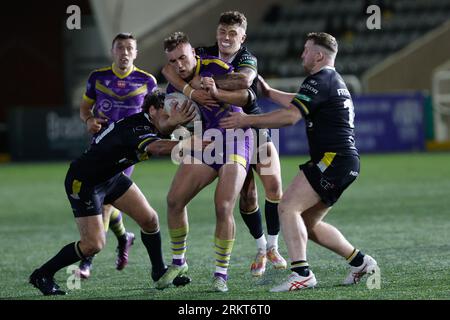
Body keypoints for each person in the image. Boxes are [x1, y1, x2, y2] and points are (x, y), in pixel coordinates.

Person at [220, 32, 378, 292]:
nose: (302, 55)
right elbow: (299, 100)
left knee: (287, 208)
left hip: (333, 160)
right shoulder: (329, 80)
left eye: (306, 50)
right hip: (343, 162)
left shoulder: (319, 79)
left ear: (318, 55)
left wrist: (247, 120)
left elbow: (291, 116)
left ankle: (301, 273)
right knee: (306, 223)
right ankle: (361, 262)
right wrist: (269, 92)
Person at [29, 91, 197, 295]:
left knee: (150, 220)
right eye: (168, 113)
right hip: (85, 182)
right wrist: (191, 143)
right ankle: (42, 274)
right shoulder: (136, 127)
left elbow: (166, 132)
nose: (172, 117)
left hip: (112, 178)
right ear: (152, 110)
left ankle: (159, 271)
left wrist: (181, 124)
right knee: (93, 244)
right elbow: (158, 148)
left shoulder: (154, 124)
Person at [162, 11, 286, 278]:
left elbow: (244, 82)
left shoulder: (246, 58)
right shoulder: (202, 52)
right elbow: (168, 69)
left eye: (233, 33)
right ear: (217, 33)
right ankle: (261, 248)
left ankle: (275, 246)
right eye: (222, 32)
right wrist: (191, 91)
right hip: (224, 133)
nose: (226, 38)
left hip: (252, 123)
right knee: (247, 195)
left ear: (243, 37)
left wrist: (207, 84)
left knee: (274, 186)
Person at [155, 32, 252, 292]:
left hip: (235, 138)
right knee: (174, 200)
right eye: (173, 61)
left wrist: (216, 91)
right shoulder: (174, 86)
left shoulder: (214, 67)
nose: (179, 65)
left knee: (223, 206)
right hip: (207, 142)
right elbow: (163, 126)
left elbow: (245, 93)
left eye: (183, 58)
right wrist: (172, 122)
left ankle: (221, 274)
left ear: (194, 55)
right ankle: (179, 263)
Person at [78, 33, 158, 278]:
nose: (124, 52)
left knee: (105, 201)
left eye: (129, 48)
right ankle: (124, 238)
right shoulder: (97, 77)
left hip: (127, 151)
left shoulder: (147, 81)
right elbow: (84, 108)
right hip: (100, 147)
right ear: (112, 51)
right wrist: (89, 119)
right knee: (108, 201)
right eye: (120, 47)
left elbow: (156, 112)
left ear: (136, 53)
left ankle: (87, 260)